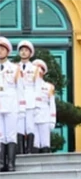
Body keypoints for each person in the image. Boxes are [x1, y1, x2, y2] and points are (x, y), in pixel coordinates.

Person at [0, 37, 20, 170]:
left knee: (11, 134)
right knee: (1, 135)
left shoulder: (15, 68)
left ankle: (11, 163)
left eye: (2, 49)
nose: (0, 51)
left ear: (7, 51)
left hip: (12, 102)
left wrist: (22, 108)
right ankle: (1, 163)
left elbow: (21, 88)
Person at [16, 40, 38, 155]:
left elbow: (37, 86)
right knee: (19, 125)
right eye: (22, 50)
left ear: (30, 53)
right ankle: (20, 150)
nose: (23, 53)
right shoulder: (14, 67)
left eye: (26, 51)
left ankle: (29, 150)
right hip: (18, 100)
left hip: (30, 99)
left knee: (30, 125)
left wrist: (37, 103)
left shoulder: (35, 69)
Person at [31, 59, 56, 153]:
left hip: (44, 115)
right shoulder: (28, 85)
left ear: (43, 72)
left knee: (45, 141)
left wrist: (52, 120)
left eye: (39, 68)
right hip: (32, 116)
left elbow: (52, 104)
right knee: (34, 142)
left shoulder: (49, 86)